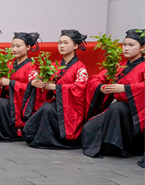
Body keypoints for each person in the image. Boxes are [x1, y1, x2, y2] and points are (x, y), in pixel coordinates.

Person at [81, 29, 145, 158]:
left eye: (131, 45)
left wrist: (125, 89)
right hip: (118, 110)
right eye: (124, 45)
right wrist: (101, 87)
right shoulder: (118, 67)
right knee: (89, 129)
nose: (126, 48)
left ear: (143, 48)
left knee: (118, 107)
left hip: (136, 113)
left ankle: (121, 146)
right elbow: (95, 79)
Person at [23, 30, 90, 149]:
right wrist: (38, 83)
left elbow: (80, 89)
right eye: (60, 43)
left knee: (47, 109)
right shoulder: (54, 65)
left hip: (70, 108)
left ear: (75, 46)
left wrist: (55, 87)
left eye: (65, 43)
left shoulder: (80, 68)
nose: (62, 46)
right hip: (56, 103)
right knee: (45, 109)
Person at [0, 32, 39, 142]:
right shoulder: (8, 65)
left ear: (28, 47)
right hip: (9, 100)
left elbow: (32, 89)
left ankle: (8, 131)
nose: (14, 49)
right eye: (12, 46)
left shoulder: (32, 67)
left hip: (20, 104)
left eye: (18, 46)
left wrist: (10, 83)